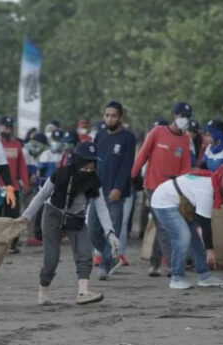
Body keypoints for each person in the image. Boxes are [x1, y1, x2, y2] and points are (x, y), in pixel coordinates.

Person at [16, 142, 120, 306]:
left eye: (92, 163)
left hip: (75, 218)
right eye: (85, 162)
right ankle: (43, 292)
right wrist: (24, 218)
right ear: (77, 160)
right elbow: (41, 196)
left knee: (85, 253)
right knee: (51, 259)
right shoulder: (61, 174)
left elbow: (102, 208)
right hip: (53, 214)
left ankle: (83, 292)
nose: (89, 167)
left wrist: (110, 233)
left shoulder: (94, 181)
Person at [150, 164, 223, 289]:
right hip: (163, 201)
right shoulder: (207, 190)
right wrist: (210, 251)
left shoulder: (211, 181)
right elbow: (205, 223)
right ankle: (176, 277)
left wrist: (208, 248)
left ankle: (204, 276)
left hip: (178, 202)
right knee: (183, 237)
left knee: (194, 238)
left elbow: (202, 223)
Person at [131, 102, 193, 277]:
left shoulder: (185, 139)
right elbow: (142, 154)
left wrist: (184, 190)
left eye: (187, 117)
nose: (184, 120)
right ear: (174, 115)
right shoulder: (157, 132)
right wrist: (132, 175)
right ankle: (173, 265)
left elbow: (186, 167)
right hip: (152, 186)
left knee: (163, 225)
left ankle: (155, 263)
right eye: (182, 116)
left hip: (173, 189)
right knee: (164, 225)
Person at [90, 100, 136, 279]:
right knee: (93, 230)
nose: (110, 119)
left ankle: (105, 264)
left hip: (117, 192)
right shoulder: (99, 136)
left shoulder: (128, 138)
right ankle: (110, 255)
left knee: (112, 230)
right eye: (107, 115)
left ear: (120, 118)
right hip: (97, 190)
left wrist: (118, 188)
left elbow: (127, 165)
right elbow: (92, 162)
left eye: (114, 116)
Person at [0, 116, 28, 253]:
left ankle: (12, 245)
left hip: (12, 188)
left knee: (14, 217)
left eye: (10, 128)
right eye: (5, 127)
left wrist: (25, 184)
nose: (8, 130)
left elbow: (22, 166)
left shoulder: (17, 145)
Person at [23, 132, 47, 246]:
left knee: (31, 212)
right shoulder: (24, 152)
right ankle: (13, 239)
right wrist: (31, 178)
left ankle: (30, 237)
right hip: (22, 186)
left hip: (31, 187)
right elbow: (22, 170)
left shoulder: (34, 156)